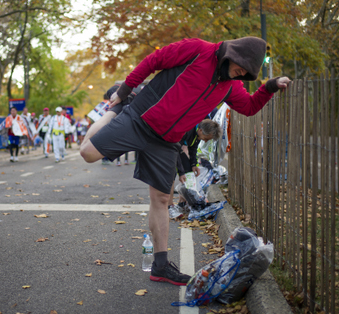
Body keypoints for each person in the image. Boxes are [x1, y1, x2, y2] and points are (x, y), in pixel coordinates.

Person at [80, 36, 291, 286]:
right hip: (139, 118)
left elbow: (248, 107)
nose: (241, 72)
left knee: (162, 199)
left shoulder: (231, 86)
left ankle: (160, 266)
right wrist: (125, 91)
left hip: (167, 141)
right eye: (241, 66)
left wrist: (269, 87)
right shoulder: (198, 50)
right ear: (232, 53)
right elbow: (153, 61)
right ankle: (115, 109)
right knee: (88, 153)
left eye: (246, 72)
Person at [169, 119, 222, 219]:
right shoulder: (187, 129)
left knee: (189, 172)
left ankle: (182, 203)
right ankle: (169, 207)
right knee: (171, 175)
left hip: (177, 148)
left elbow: (193, 148)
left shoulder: (197, 133)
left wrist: (194, 164)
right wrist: (181, 172)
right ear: (201, 131)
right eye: (206, 138)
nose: (205, 141)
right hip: (169, 148)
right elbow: (176, 150)